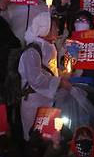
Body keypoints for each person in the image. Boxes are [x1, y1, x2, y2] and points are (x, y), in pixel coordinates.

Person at [19, 11, 70, 140]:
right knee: (34, 136)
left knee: (48, 135)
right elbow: (35, 79)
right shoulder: (32, 51)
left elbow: (50, 70)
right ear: (45, 28)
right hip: (34, 101)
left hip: (46, 99)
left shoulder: (49, 46)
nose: (57, 29)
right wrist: (58, 83)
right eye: (54, 26)